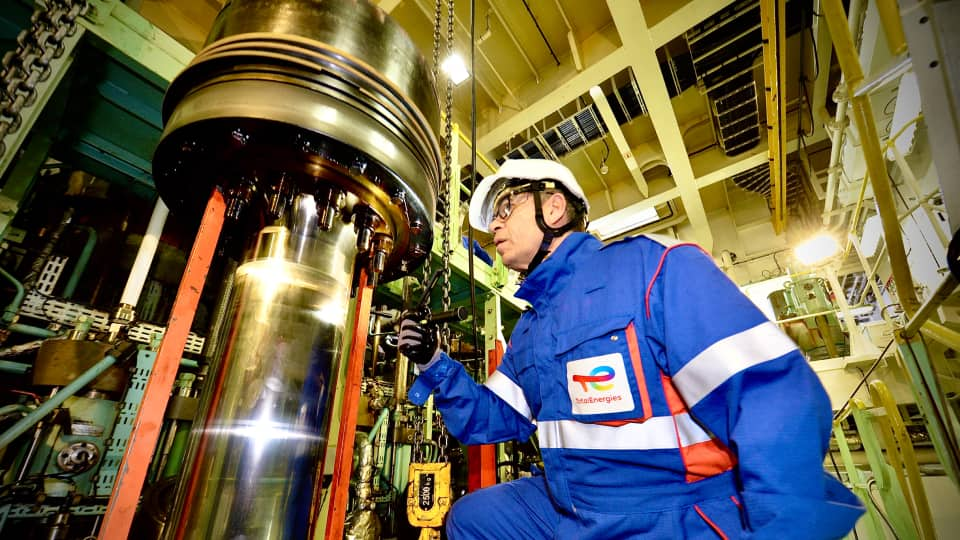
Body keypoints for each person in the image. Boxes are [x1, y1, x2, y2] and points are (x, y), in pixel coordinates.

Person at [398, 158, 864, 539]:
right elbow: (492, 417)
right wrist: (434, 363)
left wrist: (782, 528)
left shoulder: (653, 268)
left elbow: (771, 399)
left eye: (505, 208)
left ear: (554, 209)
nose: (493, 227)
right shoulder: (531, 327)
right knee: (471, 519)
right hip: (569, 505)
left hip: (667, 512)